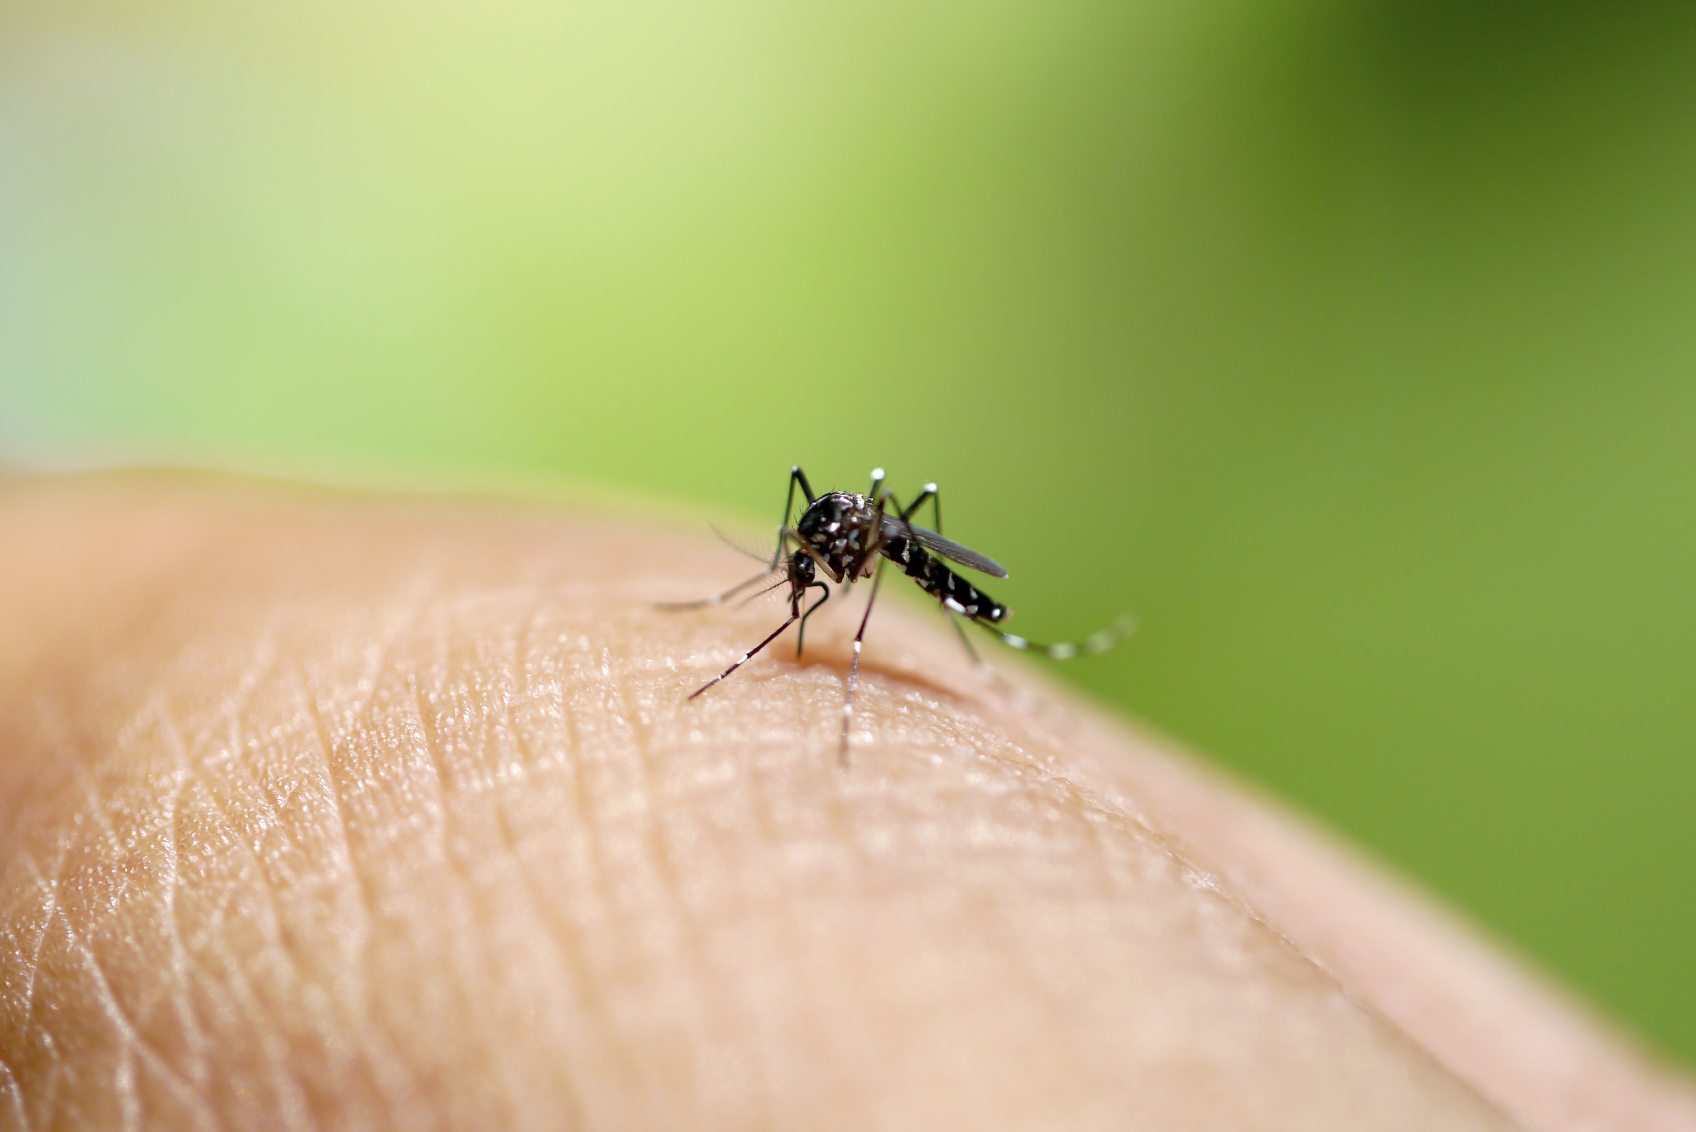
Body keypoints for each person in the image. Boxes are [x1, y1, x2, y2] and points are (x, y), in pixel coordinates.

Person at [1, 471, 1691, 1130]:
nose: (816, 557)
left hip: (940, 591)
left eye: (815, 557)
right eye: (815, 556)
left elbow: (866, 528)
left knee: (892, 524)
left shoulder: (876, 556)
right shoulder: (823, 530)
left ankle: (975, 637)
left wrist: (850, 596)